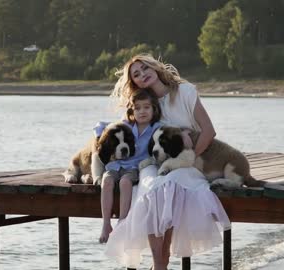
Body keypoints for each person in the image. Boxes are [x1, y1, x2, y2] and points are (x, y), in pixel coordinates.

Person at [104, 54, 231, 270]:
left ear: (154, 67)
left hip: (190, 160)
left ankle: (161, 264)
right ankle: (159, 264)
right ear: (133, 82)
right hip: (154, 163)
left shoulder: (185, 92)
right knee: (151, 187)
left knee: (171, 185)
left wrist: (189, 159)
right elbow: (123, 133)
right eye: (136, 74)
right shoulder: (145, 104)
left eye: (145, 68)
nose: (142, 74)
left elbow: (209, 131)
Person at [99, 88, 163, 244]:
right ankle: (106, 223)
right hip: (116, 164)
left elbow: (171, 133)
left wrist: (185, 133)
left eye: (146, 107)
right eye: (137, 108)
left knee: (125, 182)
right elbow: (101, 128)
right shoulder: (126, 125)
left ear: (154, 109)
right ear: (131, 110)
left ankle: (122, 222)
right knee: (106, 181)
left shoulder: (156, 128)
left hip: (135, 167)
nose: (142, 111)